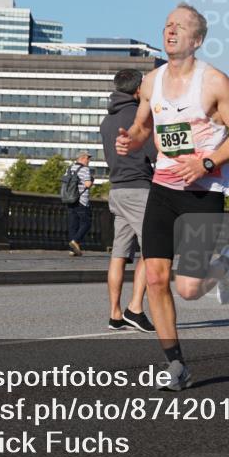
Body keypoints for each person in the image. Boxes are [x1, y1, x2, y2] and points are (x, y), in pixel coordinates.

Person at [116, 3, 229, 391]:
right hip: (163, 189)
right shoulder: (151, 82)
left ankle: (225, 265)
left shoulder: (214, 82)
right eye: (167, 25)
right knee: (155, 277)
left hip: (202, 194)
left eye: (180, 26)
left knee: (189, 289)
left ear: (198, 39)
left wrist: (208, 162)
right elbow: (143, 127)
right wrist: (130, 140)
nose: (170, 31)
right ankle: (176, 364)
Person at [99, 68, 157, 332]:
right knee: (152, 249)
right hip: (139, 189)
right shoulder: (139, 116)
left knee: (119, 253)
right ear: (138, 89)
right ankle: (135, 309)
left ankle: (115, 313)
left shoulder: (106, 121)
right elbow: (154, 153)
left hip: (117, 189)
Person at [66, 151, 93, 256]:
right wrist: (91, 181)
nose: (89, 160)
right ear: (81, 158)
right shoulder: (85, 169)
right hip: (81, 200)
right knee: (87, 223)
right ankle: (75, 241)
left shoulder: (69, 168)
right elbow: (87, 184)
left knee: (73, 225)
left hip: (70, 200)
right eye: (87, 158)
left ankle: (72, 250)